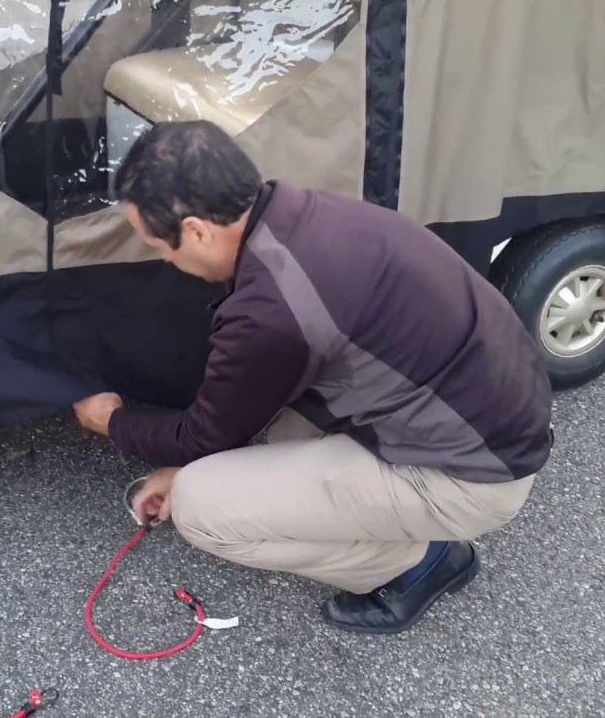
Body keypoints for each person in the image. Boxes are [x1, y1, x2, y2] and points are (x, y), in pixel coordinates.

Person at [72, 120, 554, 635]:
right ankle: (400, 523)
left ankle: (420, 564)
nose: (164, 259)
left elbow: (204, 435)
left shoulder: (270, 310)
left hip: (470, 477)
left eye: (159, 245)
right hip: (492, 416)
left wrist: (114, 423)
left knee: (199, 505)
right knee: (261, 433)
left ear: (195, 230)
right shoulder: (302, 212)